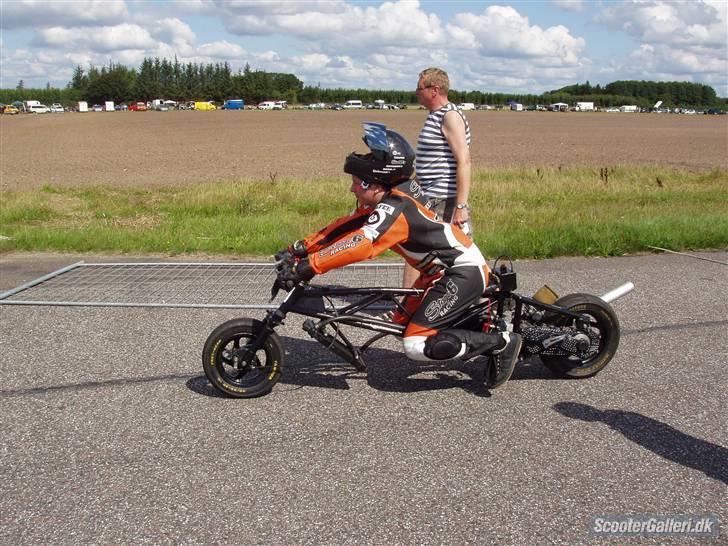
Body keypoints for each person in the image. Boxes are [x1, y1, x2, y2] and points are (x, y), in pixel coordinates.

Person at [275, 122, 521, 388]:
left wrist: (309, 267)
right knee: (399, 323)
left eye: (357, 183)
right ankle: (480, 323)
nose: (352, 189)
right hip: (439, 274)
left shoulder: (397, 208)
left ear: (376, 183)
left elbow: (362, 242)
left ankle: (502, 343)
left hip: (461, 272)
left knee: (416, 344)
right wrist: (298, 249)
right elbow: (346, 227)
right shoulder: (391, 197)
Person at [402, 67, 473, 289]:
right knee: (422, 251)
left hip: (444, 199)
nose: (416, 92)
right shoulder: (435, 116)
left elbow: (464, 161)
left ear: (435, 90)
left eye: (419, 87)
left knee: (419, 250)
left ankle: (406, 304)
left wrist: (460, 206)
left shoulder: (450, 116)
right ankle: (410, 303)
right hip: (431, 196)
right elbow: (430, 163)